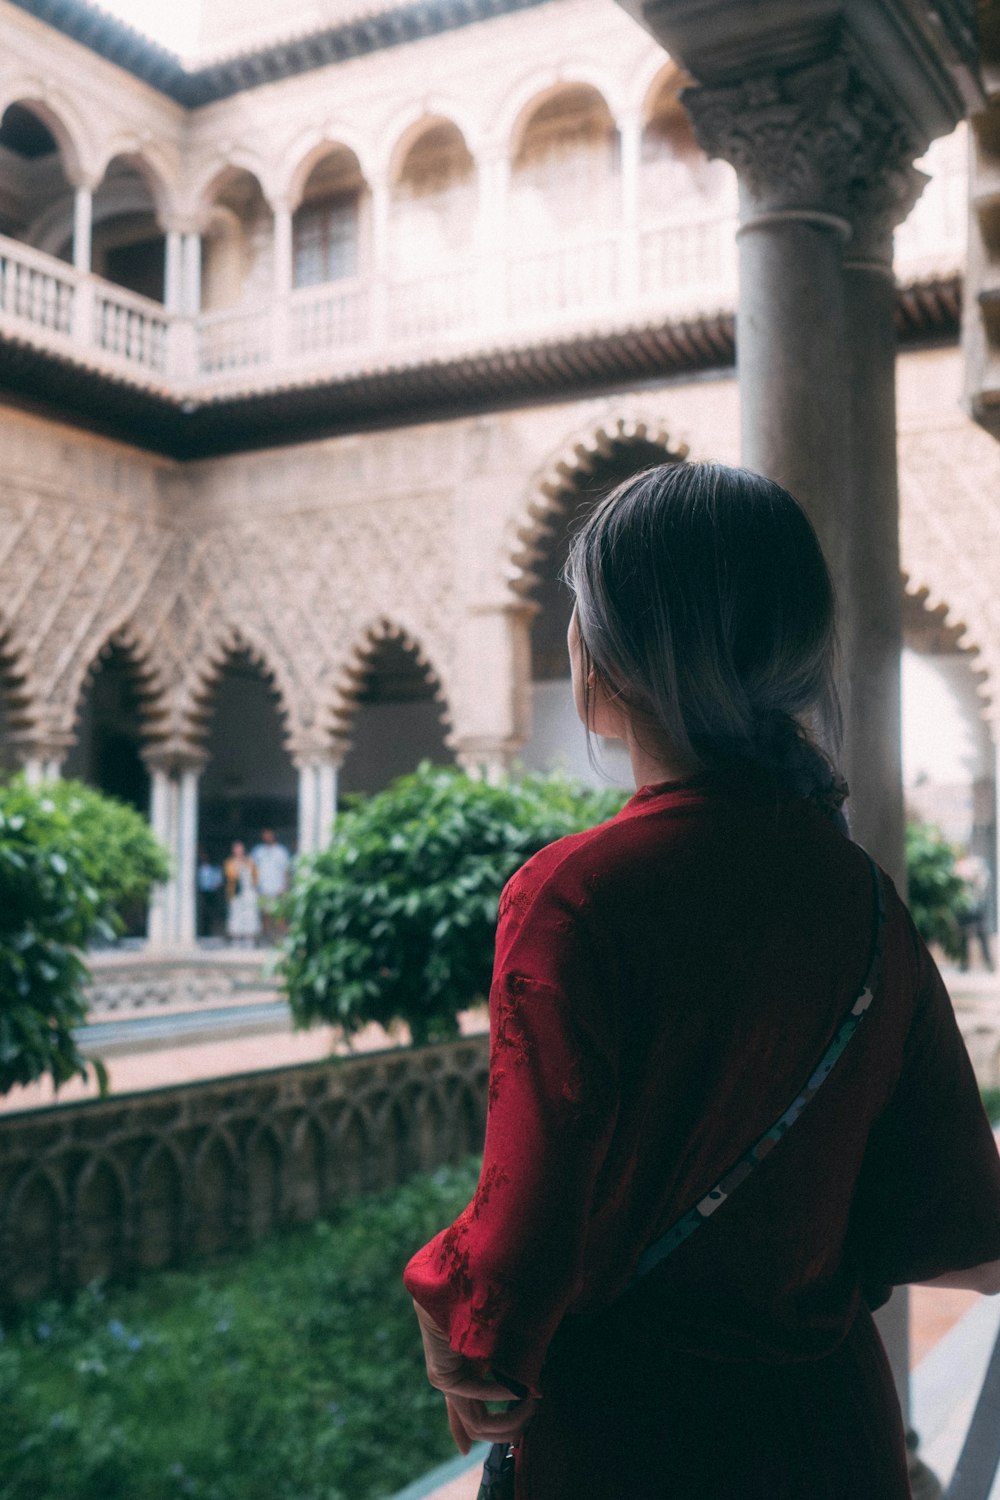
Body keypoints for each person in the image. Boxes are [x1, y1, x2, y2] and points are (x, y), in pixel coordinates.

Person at [403, 464, 1000, 1500]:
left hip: (639, 1448)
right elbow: (959, 1225)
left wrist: (454, 1316)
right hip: (833, 1445)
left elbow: (514, 1258)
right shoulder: (862, 899)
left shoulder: (571, 898)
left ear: (616, 658)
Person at [955, 850, 995, 973]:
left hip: (977, 907)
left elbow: (984, 884)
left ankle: (989, 965)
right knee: (963, 937)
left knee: (982, 935)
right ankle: (964, 965)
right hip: (964, 908)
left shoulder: (976, 865)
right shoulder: (959, 867)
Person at [250, 827, 291, 943]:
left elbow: (286, 870)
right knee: (264, 915)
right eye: (265, 834)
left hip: (278, 888)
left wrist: (285, 887)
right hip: (263, 889)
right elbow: (251, 868)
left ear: (273, 835)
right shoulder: (258, 851)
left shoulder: (281, 851)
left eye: (269, 834)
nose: (267, 837)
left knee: (280, 915)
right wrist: (254, 885)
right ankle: (266, 939)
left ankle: (282, 940)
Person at [224, 840, 260, 948]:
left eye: (240, 848)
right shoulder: (229, 862)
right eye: (236, 849)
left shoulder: (250, 862)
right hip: (236, 893)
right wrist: (238, 866)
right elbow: (230, 875)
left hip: (249, 893)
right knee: (236, 915)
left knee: (249, 915)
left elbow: (256, 877)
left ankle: (249, 938)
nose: (238, 851)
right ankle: (236, 939)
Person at [196, 847, 225, 939]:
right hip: (201, 893)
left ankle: (210, 931)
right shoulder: (198, 868)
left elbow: (219, 881)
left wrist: (214, 885)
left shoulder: (215, 868)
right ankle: (203, 931)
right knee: (202, 912)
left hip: (212, 893)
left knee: (211, 913)